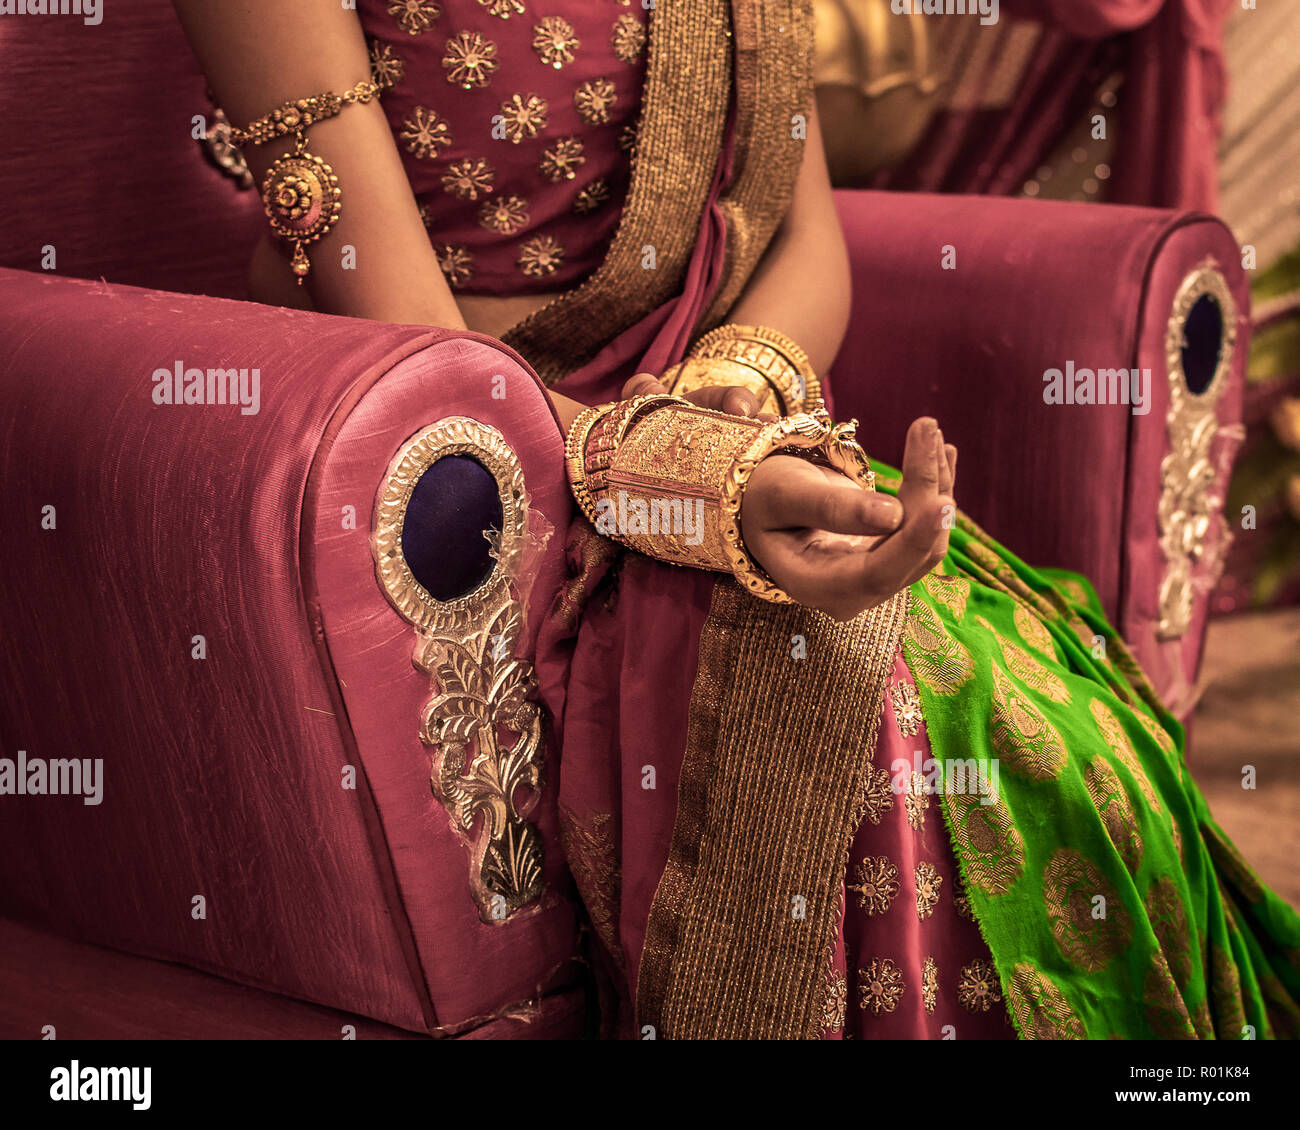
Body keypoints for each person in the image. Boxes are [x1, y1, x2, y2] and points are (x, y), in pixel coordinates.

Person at [173, 0, 1300, 1039]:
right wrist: (677, 477)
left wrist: (739, 389)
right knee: (888, 706)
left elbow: (802, 239)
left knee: (1051, 720)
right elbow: (396, 321)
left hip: (714, 428)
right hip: (463, 487)